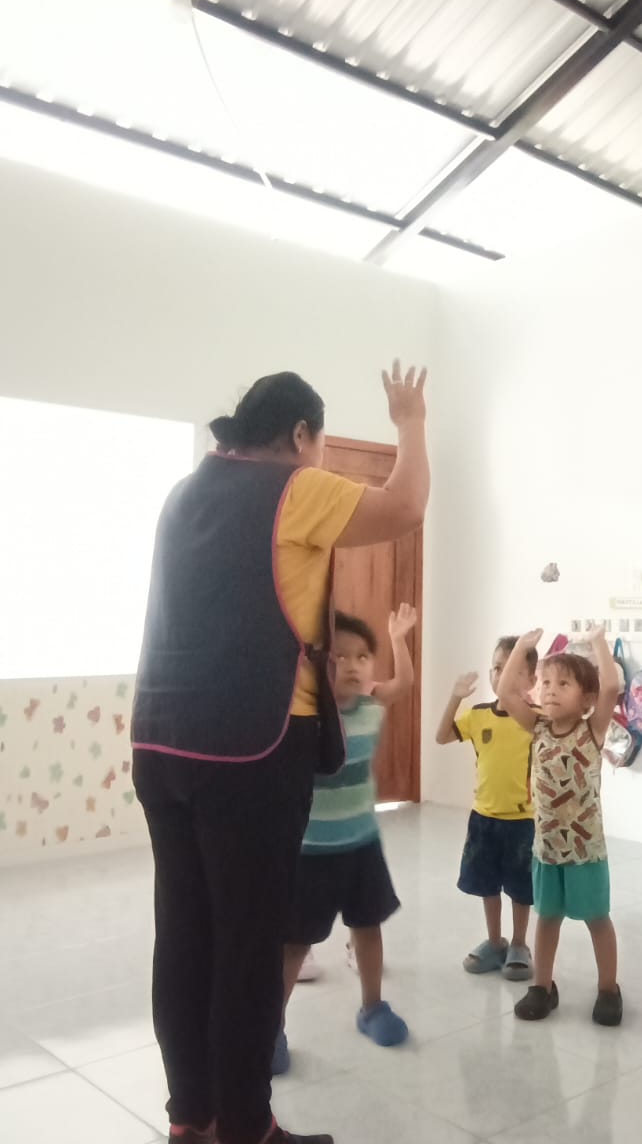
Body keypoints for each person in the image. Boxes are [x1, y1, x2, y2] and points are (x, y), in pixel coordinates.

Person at [132, 362, 429, 1144]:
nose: (321, 455)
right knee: (246, 942)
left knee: (184, 934)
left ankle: (191, 1118)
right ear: (300, 434)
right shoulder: (294, 486)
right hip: (252, 747)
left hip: (159, 741)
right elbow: (405, 505)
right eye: (321, 442)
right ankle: (247, 1127)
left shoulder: (183, 493)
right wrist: (410, 422)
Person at [276, 604, 417, 1070]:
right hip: (310, 851)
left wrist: (398, 638)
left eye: (362, 657)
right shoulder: (304, 717)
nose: (353, 666)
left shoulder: (371, 707)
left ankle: (372, 1007)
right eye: (340, 657)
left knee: (368, 928)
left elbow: (404, 684)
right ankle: (270, 1027)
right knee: (295, 943)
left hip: (361, 846)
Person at [498, 625, 623, 1025]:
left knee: (597, 919)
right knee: (547, 918)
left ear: (586, 699)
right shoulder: (536, 727)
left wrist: (598, 641)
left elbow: (611, 687)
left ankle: (609, 988)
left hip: (586, 852)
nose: (550, 690)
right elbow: (505, 693)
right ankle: (542, 986)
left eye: (563, 684)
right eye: (546, 682)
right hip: (547, 850)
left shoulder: (592, 731)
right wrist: (521, 648)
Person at [435, 636, 538, 981]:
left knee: (521, 888)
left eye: (513, 669)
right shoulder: (479, 715)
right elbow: (441, 736)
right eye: (496, 667)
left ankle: (519, 943)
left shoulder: (534, 720)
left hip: (523, 821)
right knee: (487, 884)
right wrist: (455, 697)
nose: (501, 675)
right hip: (483, 818)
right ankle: (495, 942)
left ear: (532, 680)